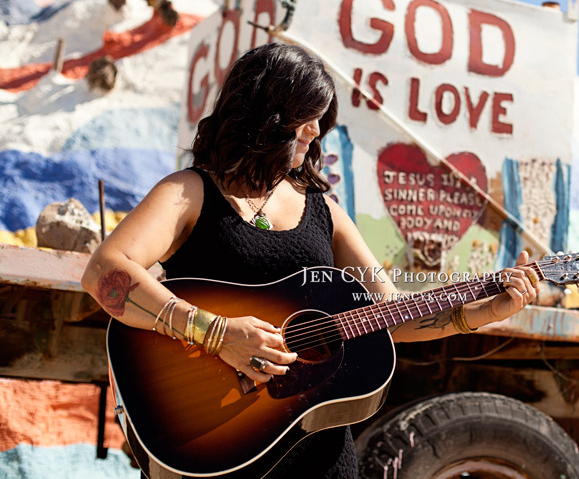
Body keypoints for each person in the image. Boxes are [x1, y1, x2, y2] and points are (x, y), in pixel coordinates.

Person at [80, 42, 541, 479]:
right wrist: (215, 332)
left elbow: (389, 314)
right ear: (263, 112)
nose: (315, 132)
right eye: (305, 117)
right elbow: (104, 271)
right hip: (215, 443)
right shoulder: (189, 193)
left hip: (322, 460)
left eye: (320, 120)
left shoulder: (325, 211)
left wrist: (481, 312)